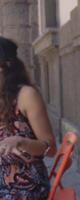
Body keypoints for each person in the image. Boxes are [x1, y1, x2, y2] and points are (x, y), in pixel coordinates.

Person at [0, 36, 57, 200]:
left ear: (5, 67)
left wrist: (21, 142)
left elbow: (51, 149)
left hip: (26, 187)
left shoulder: (26, 95)